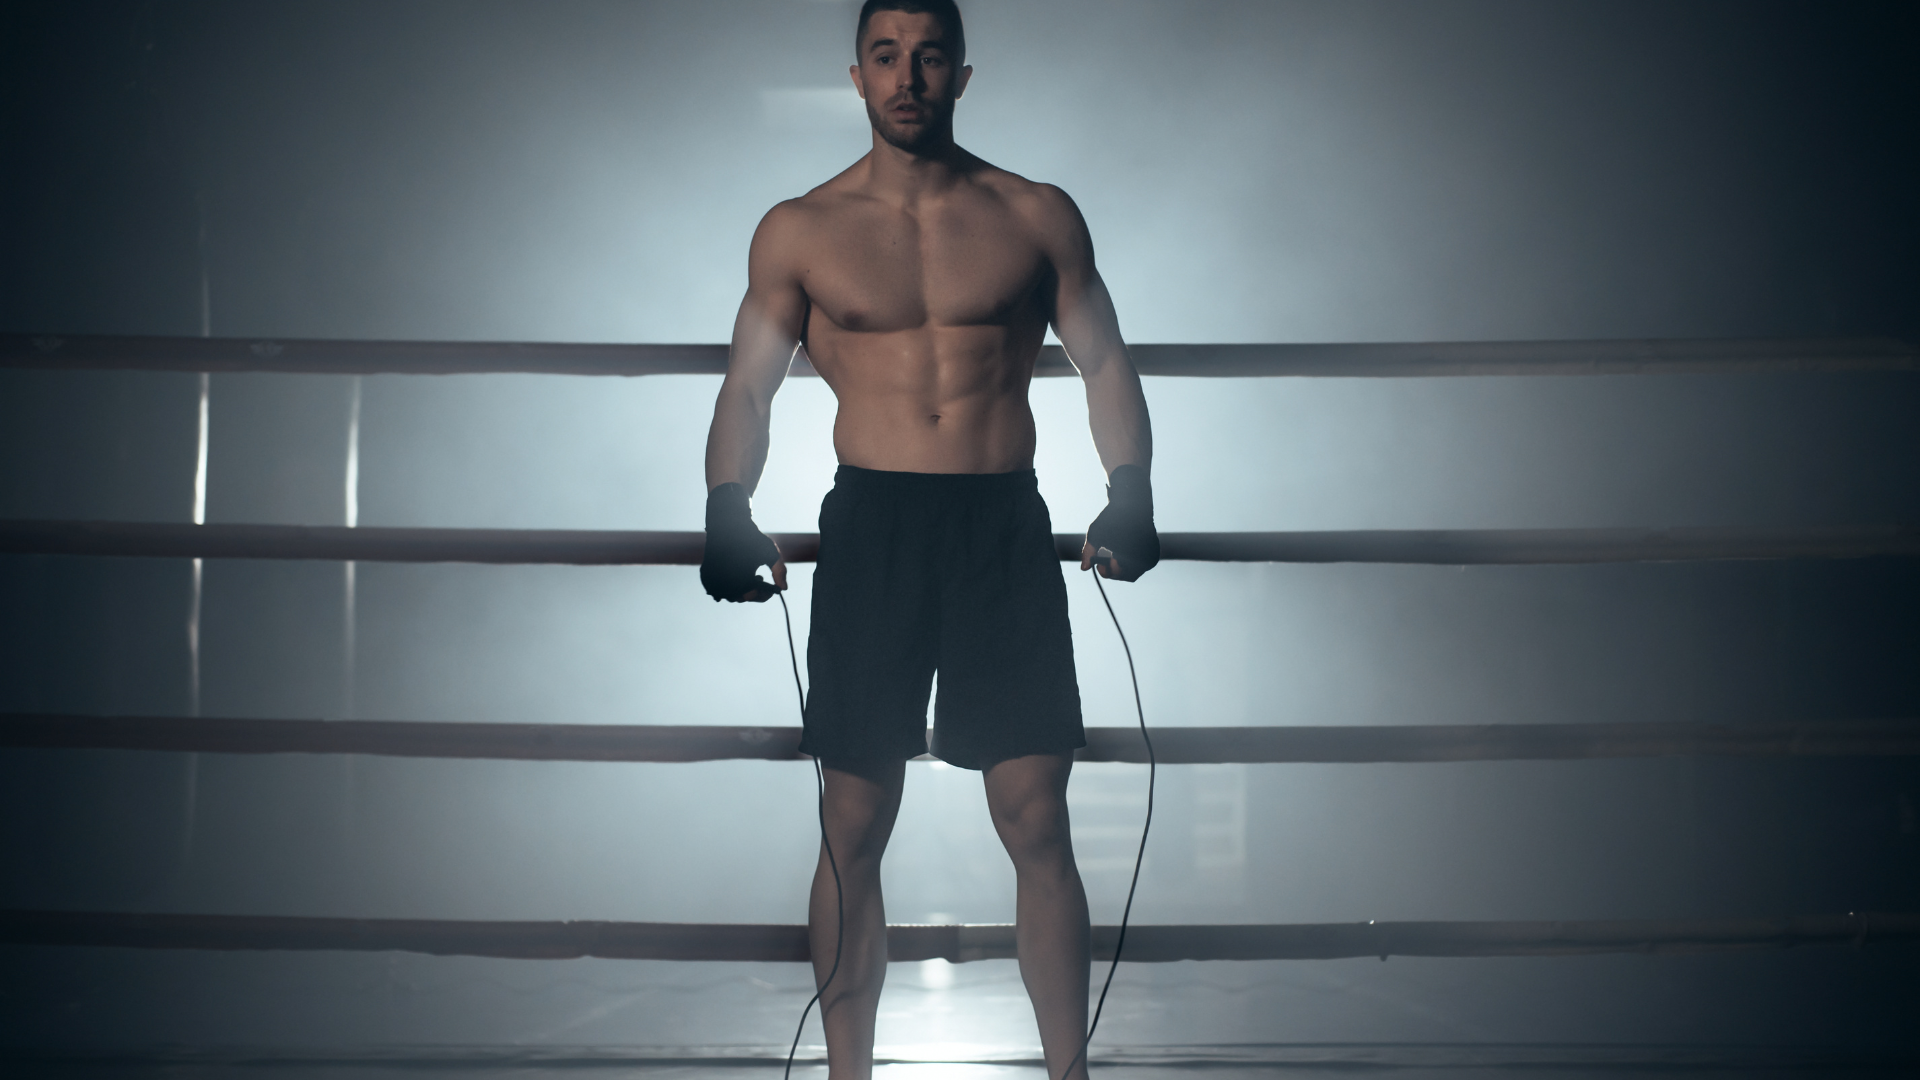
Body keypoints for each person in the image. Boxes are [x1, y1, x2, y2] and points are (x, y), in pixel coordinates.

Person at [701, 2, 1157, 1077]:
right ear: (856, 77)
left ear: (962, 74)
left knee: (1036, 815)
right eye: (886, 57)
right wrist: (727, 502)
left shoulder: (1035, 213)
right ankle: (848, 1074)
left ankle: (1068, 1073)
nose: (908, 76)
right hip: (875, 527)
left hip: (1001, 524)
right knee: (854, 819)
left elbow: (1104, 361)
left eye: (930, 56)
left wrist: (1130, 488)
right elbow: (750, 392)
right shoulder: (799, 230)